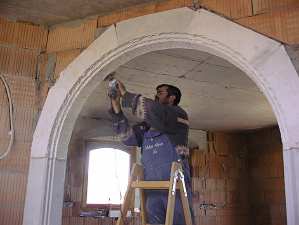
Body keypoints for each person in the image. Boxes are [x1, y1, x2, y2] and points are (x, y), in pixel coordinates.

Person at [108, 80, 193, 225]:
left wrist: (125, 95)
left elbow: (157, 112)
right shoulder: (148, 127)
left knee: (178, 221)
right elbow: (127, 137)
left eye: (160, 93)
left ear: (172, 98)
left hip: (176, 185)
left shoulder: (179, 115)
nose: (156, 96)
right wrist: (116, 105)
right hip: (152, 188)